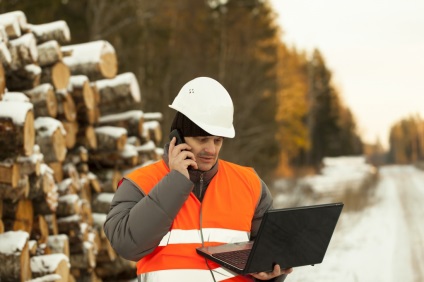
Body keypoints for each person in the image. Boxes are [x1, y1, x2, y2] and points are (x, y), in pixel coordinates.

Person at [104, 77, 293, 281]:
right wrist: (175, 182)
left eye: (218, 140)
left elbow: (271, 254)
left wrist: (271, 275)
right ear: (178, 136)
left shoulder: (250, 183)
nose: (211, 150)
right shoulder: (139, 183)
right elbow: (127, 244)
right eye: (202, 139)